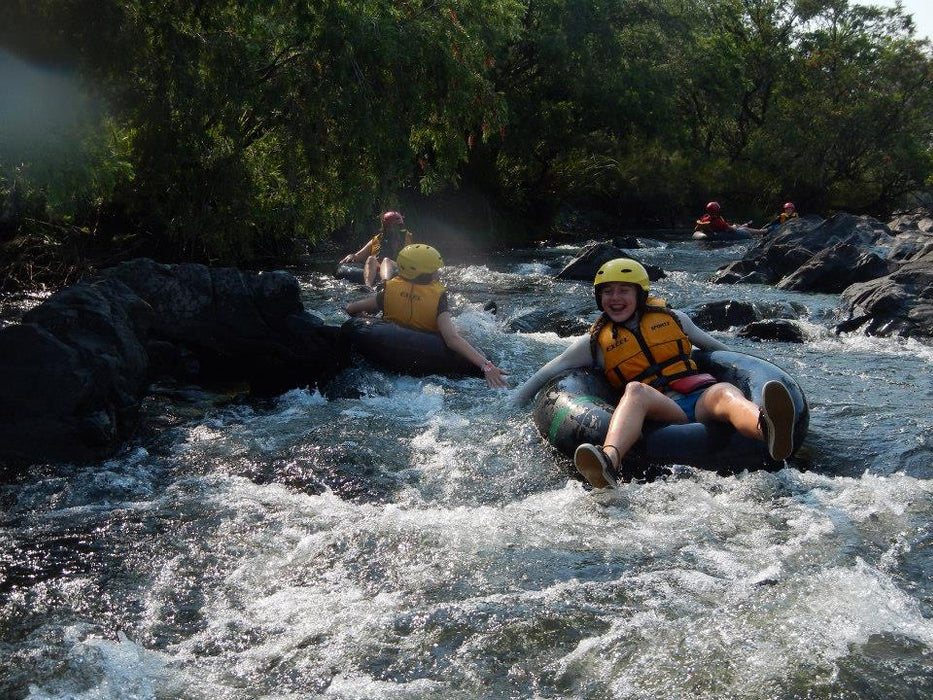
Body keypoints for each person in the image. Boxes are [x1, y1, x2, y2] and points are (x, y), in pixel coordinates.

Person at [509, 258, 795, 488]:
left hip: (699, 395)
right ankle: (608, 461)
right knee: (635, 390)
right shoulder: (594, 343)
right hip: (662, 407)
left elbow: (723, 354)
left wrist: (762, 372)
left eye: (624, 290)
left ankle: (767, 429)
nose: (615, 298)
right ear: (599, 298)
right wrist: (513, 403)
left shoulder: (675, 319)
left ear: (640, 295)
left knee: (725, 392)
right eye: (607, 291)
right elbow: (550, 370)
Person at [344, 244, 509, 389]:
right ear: (427, 273)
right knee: (461, 330)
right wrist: (487, 366)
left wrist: (364, 317)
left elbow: (352, 309)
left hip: (389, 346)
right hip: (428, 351)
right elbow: (451, 339)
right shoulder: (437, 296)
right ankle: (487, 317)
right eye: (434, 269)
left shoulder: (388, 290)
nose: (437, 272)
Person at [340, 211, 414, 288]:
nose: (394, 229)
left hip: (398, 267)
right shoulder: (377, 239)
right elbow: (358, 256)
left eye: (397, 226)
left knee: (386, 260)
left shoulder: (407, 237)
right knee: (371, 258)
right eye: (391, 227)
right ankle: (368, 287)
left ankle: (384, 283)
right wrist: (352, 256)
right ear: (386, 227)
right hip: (379, 267)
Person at [694, 201, 767, 238]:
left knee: (741, 226)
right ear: (717, 210)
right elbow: (732, 229)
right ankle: (764, 231)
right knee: (745, 229)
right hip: (724, 231)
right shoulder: (718, 221)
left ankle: (747, 224)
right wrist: (734, 226)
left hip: (717, 231)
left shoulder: (705, 219)